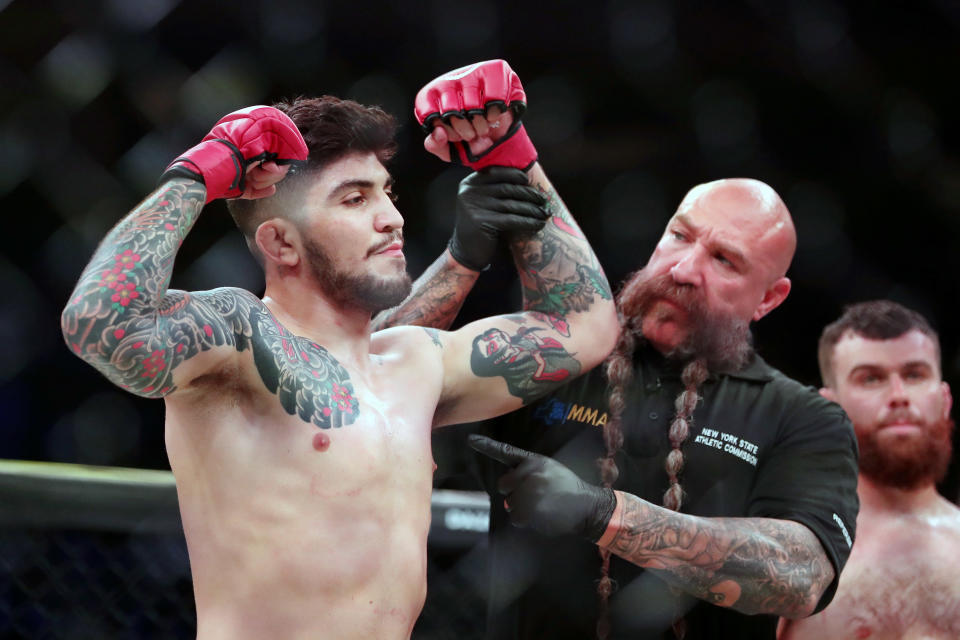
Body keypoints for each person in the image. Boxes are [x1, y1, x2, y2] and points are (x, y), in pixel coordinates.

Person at [60, 60, 618, 640]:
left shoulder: (413, 362)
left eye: (387, 193)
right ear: (281, 242)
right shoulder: (241, 338)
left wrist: (511, 155)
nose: (392, 219)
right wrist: (194, 176)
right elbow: (103, 326)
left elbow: (582, 324)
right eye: (354, 200)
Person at [385, 176, 860, 639]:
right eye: (679, 236)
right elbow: (371, 382)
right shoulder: (557, 358)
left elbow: (802, 576)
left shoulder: (800, 417)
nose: (683, 270)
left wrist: (602, 512)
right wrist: (461, 259)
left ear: (769, 298)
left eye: (724, 260)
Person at [777, 300, 960, 639]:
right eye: (871, 378)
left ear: (945, 399)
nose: (899, 395)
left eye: (915, 374)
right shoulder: (788, 555)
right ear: (829, 412)